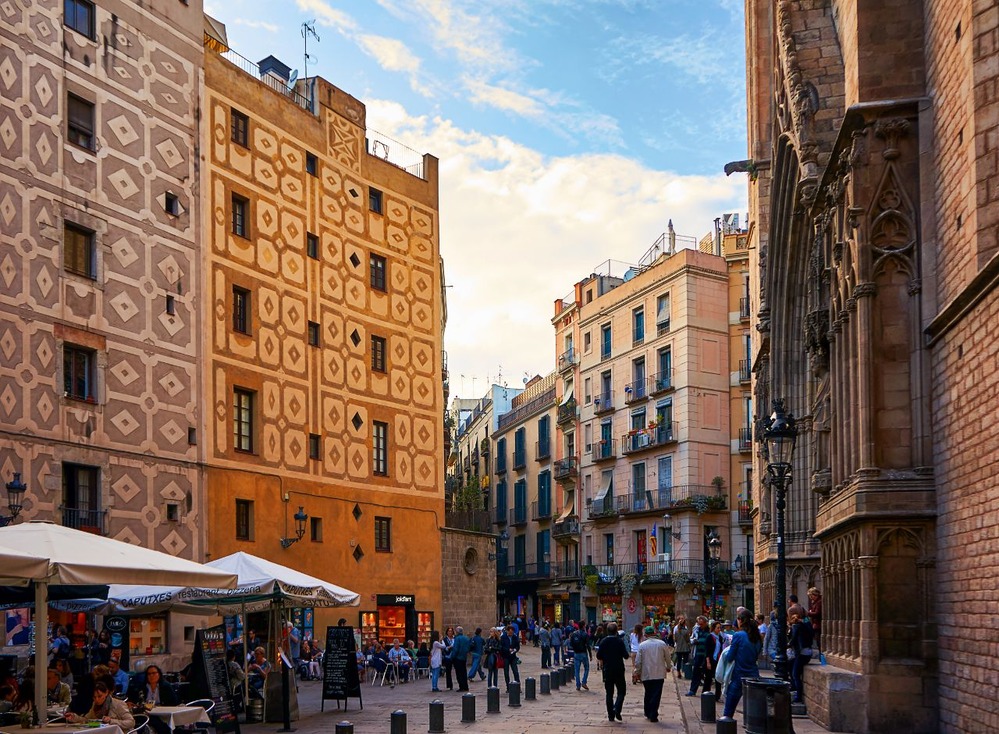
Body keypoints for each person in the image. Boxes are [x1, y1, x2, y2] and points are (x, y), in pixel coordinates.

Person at [719, 609, 763, 720]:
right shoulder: (757, 637)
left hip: (739, 674)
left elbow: (730, 657)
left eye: (738, 619)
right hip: (754, 674)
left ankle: (726, 725)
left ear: (741, 620)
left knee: (729, 706)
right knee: (752, 706)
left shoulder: (738, 635)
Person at [633, 625, 672, 722]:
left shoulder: (642, 645)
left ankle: (647, 711)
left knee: (648, 692)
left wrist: (637, 671)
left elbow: (638, 661)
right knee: (656, 694)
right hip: (659, 673)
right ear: (654, 633)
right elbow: (668, 657)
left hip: (646, 673)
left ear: (645, 635)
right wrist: (668, 667)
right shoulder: (662, 644)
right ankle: (653, 713)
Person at [595, 622, 629, 722]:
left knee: (609, 693)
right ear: (616, 631)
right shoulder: (619, 641)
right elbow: (626, 655)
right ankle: (617, 708)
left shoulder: (604, 641)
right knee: (621, 691)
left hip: (608, 669)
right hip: (618, 669)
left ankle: (611, 715)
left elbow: (598, 656)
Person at [68, 682, 134, 730]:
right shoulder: (95, 704)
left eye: (99, 696)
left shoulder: (118, 704)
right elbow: (87, 720)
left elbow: (131, 722)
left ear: (106, 693)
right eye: (94, 697)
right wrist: (74, 717)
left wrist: (111, 721)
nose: (97, 700)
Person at [685, 616, 716, 697]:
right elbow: (691, 639)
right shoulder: (697, 630)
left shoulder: (709, 632)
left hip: (706, 656)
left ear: (706, 623)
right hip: (698, 654)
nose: (700, 626)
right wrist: (694, 641)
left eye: (701, 624)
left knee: (707, 674)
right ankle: (692, 690)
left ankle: (705, 692)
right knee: (696, 673)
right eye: (699, 624)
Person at [789, 612, 815, 703]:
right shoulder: (806, 625)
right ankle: (794, 689)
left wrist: (788, 645)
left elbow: (794, 640)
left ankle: (798, 696)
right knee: (792, 666)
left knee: (795, 674)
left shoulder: (797, 627)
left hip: (802, 653)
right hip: (808, 652)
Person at [569, 623, 590, 690]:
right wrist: (590, 654)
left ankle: (578, 685)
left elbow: (571, 644)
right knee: (586, 668)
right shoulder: (585, 634)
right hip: (583, 653)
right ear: (583, 626)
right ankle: (584, 682)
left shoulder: (574, 634)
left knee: (577, 670)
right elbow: (588, 645)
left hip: (576, 653)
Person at [500, 625, 520, 691]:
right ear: (507, 631)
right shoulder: (503, 637)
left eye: (512, 632)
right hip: (506, 657)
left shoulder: (515, 637)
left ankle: (518, 686)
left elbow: (518, 646)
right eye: (510, 632)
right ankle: (508, 687)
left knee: (515, 671)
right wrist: (508, 649)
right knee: (506, 672)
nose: (511, 633)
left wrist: (515, 649)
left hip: (513, 656)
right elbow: (501, 647)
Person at [450, 627, 470, 691]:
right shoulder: (466, 638)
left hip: (458, 658)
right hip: (464, 657)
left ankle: (461, 686)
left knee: (459, 673)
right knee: (464, 672)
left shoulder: (457, 639)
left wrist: (452, 657)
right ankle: (465, 686)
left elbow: (456, 649)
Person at [442, 627, 456, 691]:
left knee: (458, 670)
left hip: (455, 656)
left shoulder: (455, 639)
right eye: (449, 631)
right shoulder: (444, 640)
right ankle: (450, 685)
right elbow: (444, 648)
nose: (450, 632)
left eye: (451, 631)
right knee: (448, 671)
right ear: (447, 632)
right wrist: (450, 647)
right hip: (448, 656)